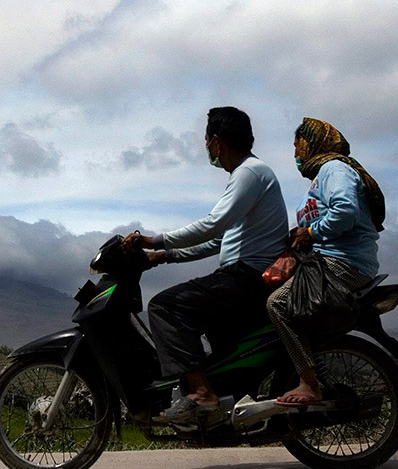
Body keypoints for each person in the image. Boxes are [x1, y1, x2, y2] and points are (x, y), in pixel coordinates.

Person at [124, 107, 288, 423]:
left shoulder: (249, 173)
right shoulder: (249, 175)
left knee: (165, 307)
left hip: (247, 277)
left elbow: (213, 225)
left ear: (216, 141)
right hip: (242, 275)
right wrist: (167, 255)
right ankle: (226, 408)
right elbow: (219, 241)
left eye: (206, 140)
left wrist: (154, 241)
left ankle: (201, 395)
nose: (207, 148)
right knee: (216, 343)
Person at [267, 117, 384, 406]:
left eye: (298, 145)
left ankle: (309, 383)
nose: (295, 154)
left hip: (346, 263)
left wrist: (311, 231)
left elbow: (345, 211)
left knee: (278, 304)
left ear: (314, 143)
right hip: (325, 261)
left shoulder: (335, 169)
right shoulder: (320, 178)